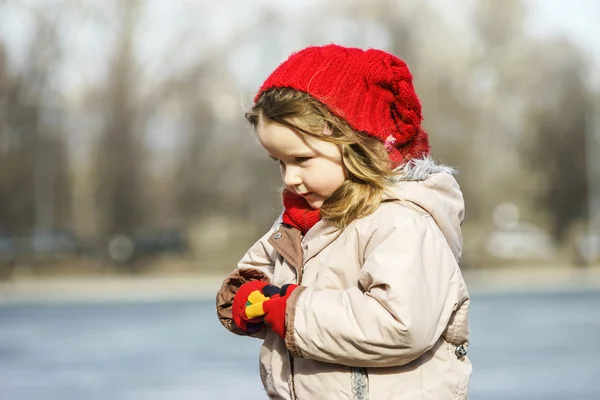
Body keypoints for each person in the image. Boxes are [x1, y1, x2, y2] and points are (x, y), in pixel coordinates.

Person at [216, 44, 471, 400]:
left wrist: (289, 311)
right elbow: (261, 271)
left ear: (359, 146)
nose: (289, 178)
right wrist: (249, 293)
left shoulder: (401, 222)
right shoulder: (300, 220)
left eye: (302, 159)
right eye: (279, 161)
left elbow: (400, 325)